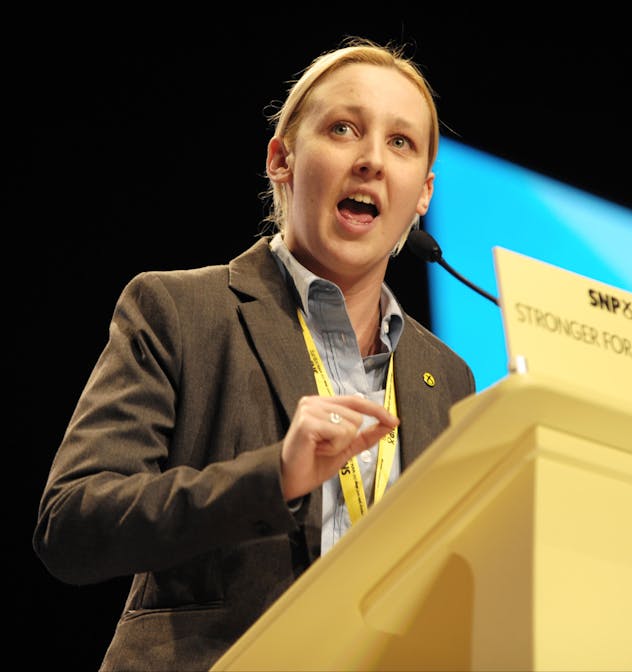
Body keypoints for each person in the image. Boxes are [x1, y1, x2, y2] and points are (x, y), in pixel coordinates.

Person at [32, 36, 476, 671]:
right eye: (344, 128)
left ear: (424, 192)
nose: (372, 160)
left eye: (401, 142)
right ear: (281, 160)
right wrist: (276, 478)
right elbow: (71, 525)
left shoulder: (449, 378)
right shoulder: (180, 311)